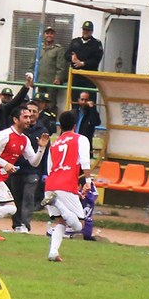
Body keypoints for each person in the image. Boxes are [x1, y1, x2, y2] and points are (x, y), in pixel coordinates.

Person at [0, 105, 50, 240]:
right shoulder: (5, 134)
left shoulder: (24, 139)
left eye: (29, 117)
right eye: (25, 117)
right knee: (11, 208)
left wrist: (41, 148)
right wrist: (5, 164)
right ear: (15, 120)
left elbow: (34, 162)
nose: (28, 120)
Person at [41, 110, 92, 262]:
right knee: (78, 225)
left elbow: (50, 168)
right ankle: (56, 202)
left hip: (51, 184)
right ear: (75, 125)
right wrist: (88, 181)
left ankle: (53, 252)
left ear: (60, 126)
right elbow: (84, 161)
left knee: (60, 222)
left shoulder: (55, 143)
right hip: (65, 184)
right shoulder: (80, 139)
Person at [8, 99, 49, 233]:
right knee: (16, 197)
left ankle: (25, 225)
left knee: (28, 197)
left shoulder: (42, 130)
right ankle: (16, 225)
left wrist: (44, 172)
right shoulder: (16, 130)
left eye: (34, 112)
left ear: (38, 113)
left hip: (33, 170)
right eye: (28, 112)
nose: (31, 114)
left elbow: (46, 153)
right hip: (16, 169)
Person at [65, 21, 103, 101]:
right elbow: (66, 55)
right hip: (76, 78)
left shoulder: (96, 44)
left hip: (89, 78)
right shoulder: (75, 42)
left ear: (91, 31)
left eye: (88, 30)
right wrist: (72, 58)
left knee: (90, 103)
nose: (85, 32)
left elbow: (96, 59)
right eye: (84, 29)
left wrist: (82, 63)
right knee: (75, 101)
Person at [36, 26, 67, 109]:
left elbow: (61, 66)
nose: (49, 35)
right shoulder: (39, 48)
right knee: (39, 102)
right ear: (44, 35)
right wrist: (31, 76)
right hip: (40, 81)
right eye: (47, 33)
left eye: (51, 33)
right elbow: (33, 63)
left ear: (54, 35)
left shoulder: (58, 49)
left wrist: (58, 78)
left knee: (50, 104)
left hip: (52, 83)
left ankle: (50, 121)